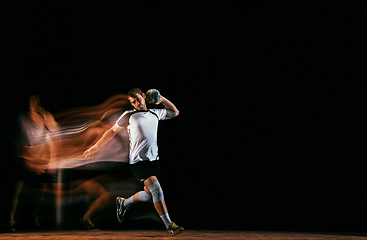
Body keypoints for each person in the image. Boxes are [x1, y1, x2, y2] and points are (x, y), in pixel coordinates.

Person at [84, 88, 184, 236]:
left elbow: (175, 112)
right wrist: (96, 146)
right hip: (138, 162)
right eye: (133, 102)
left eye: (138, 99)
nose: (136, 103)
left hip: (154, 161)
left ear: (144, 96)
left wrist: (161, 99)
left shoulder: (155, 113)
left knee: (150, 195)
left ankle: (124, 203)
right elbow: (111, 131)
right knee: (157, 190)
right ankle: (170, 225)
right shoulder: (129, 115)